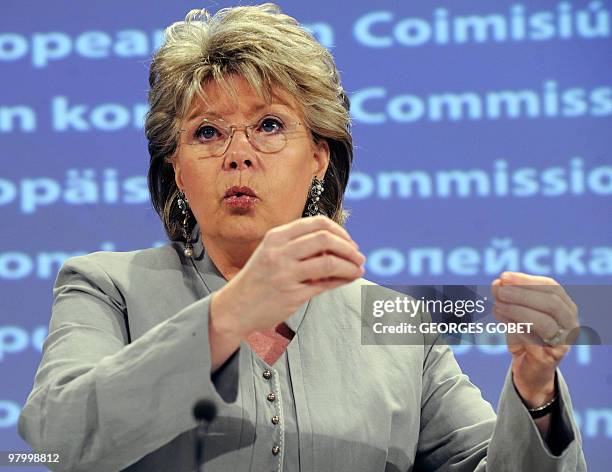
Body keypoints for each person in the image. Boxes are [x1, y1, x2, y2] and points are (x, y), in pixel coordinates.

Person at [18, 4, 586, 471]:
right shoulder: (106, 287)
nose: (237, 153)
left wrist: (535, 391)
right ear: (177, 171)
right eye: (207, 132)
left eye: (269, 125)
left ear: (318, 156)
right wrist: (233, 311)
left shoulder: (396, 325)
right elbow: (59, 439)